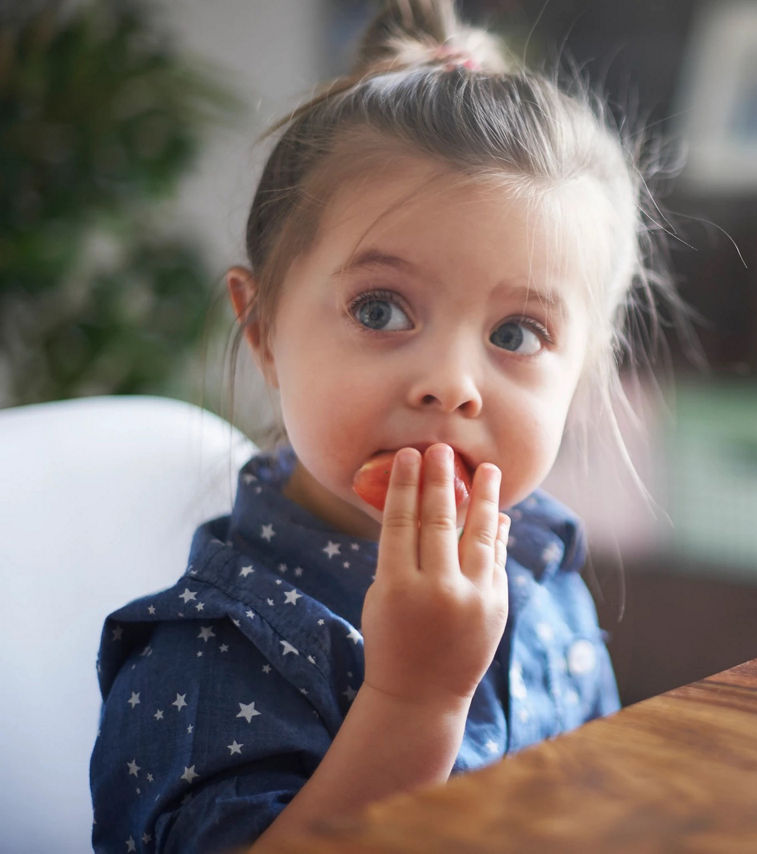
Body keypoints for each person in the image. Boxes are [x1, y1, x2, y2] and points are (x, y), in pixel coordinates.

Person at [89, 1, 679, 849]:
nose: (449, 385)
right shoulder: (206, 656)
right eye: (380, 309)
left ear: (582, 378)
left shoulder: (542, 569)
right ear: (262, 334)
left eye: (516, 334)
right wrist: (415, 702)